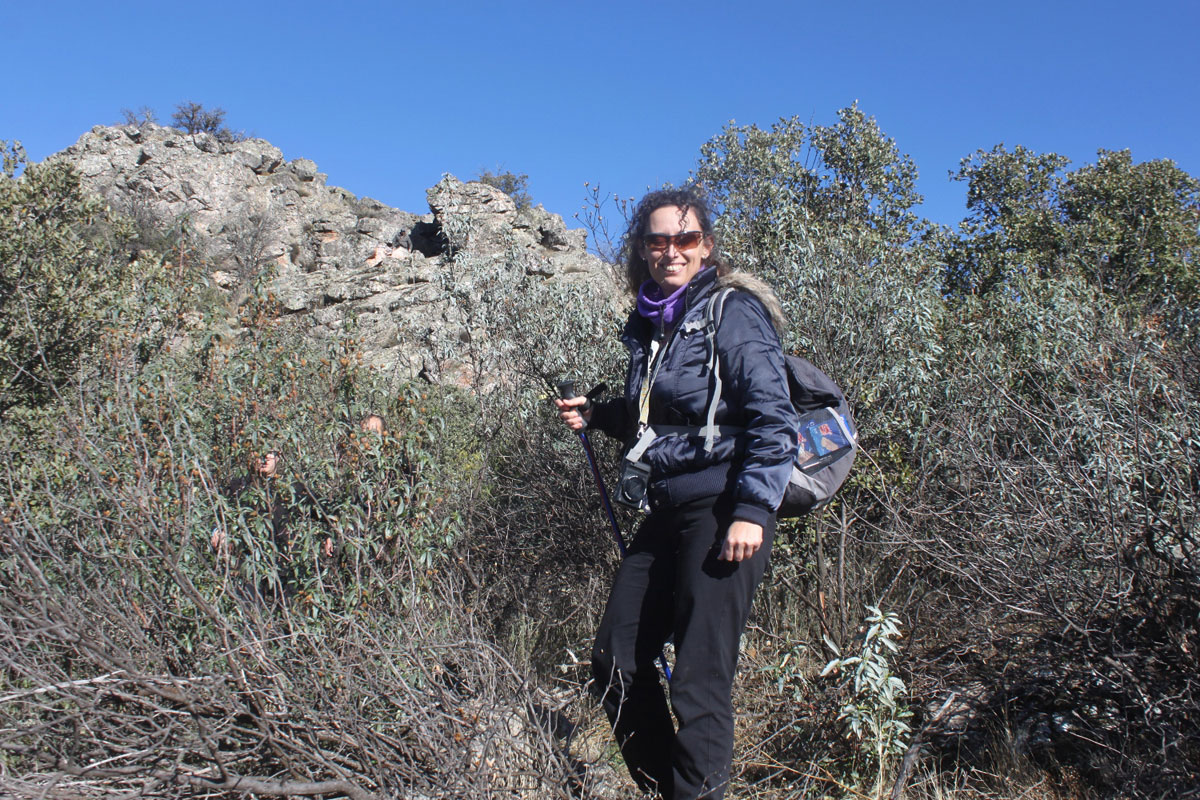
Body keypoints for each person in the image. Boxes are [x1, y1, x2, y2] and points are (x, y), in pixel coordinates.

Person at [555, 186, 799, 799]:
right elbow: (659, 419)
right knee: (615, 660)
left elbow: (774, 415)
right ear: (642, 249)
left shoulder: (732, 310)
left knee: (698, 680)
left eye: (685, 239)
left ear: (705, 246)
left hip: (723, 509)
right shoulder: (653, 325)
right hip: (667, 508)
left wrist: (752, 509)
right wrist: (600, 415)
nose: (672, 251)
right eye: (658, 240)